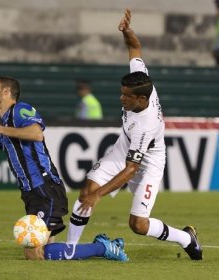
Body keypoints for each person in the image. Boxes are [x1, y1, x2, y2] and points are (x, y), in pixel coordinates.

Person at [0, 76, 127, 261]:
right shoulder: (5, 124)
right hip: (32, 192)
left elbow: (36, 133)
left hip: (44, 188)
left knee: (33, 253)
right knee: (41, 251)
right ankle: (100, 247)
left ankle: (103, 247)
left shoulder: (20, 109)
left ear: (6, 91)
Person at [66, 9, 203, 261]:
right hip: (124, 147)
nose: (121, 98)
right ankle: (70, 249)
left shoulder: (146, 124)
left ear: (140, 99)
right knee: (87, 191)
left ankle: (187, 239)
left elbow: (130, 170)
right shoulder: (141, 80)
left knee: (138, 224)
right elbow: (135, 48)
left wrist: (100, 195)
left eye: (125, 97)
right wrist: (126, 31)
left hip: (148, 161)